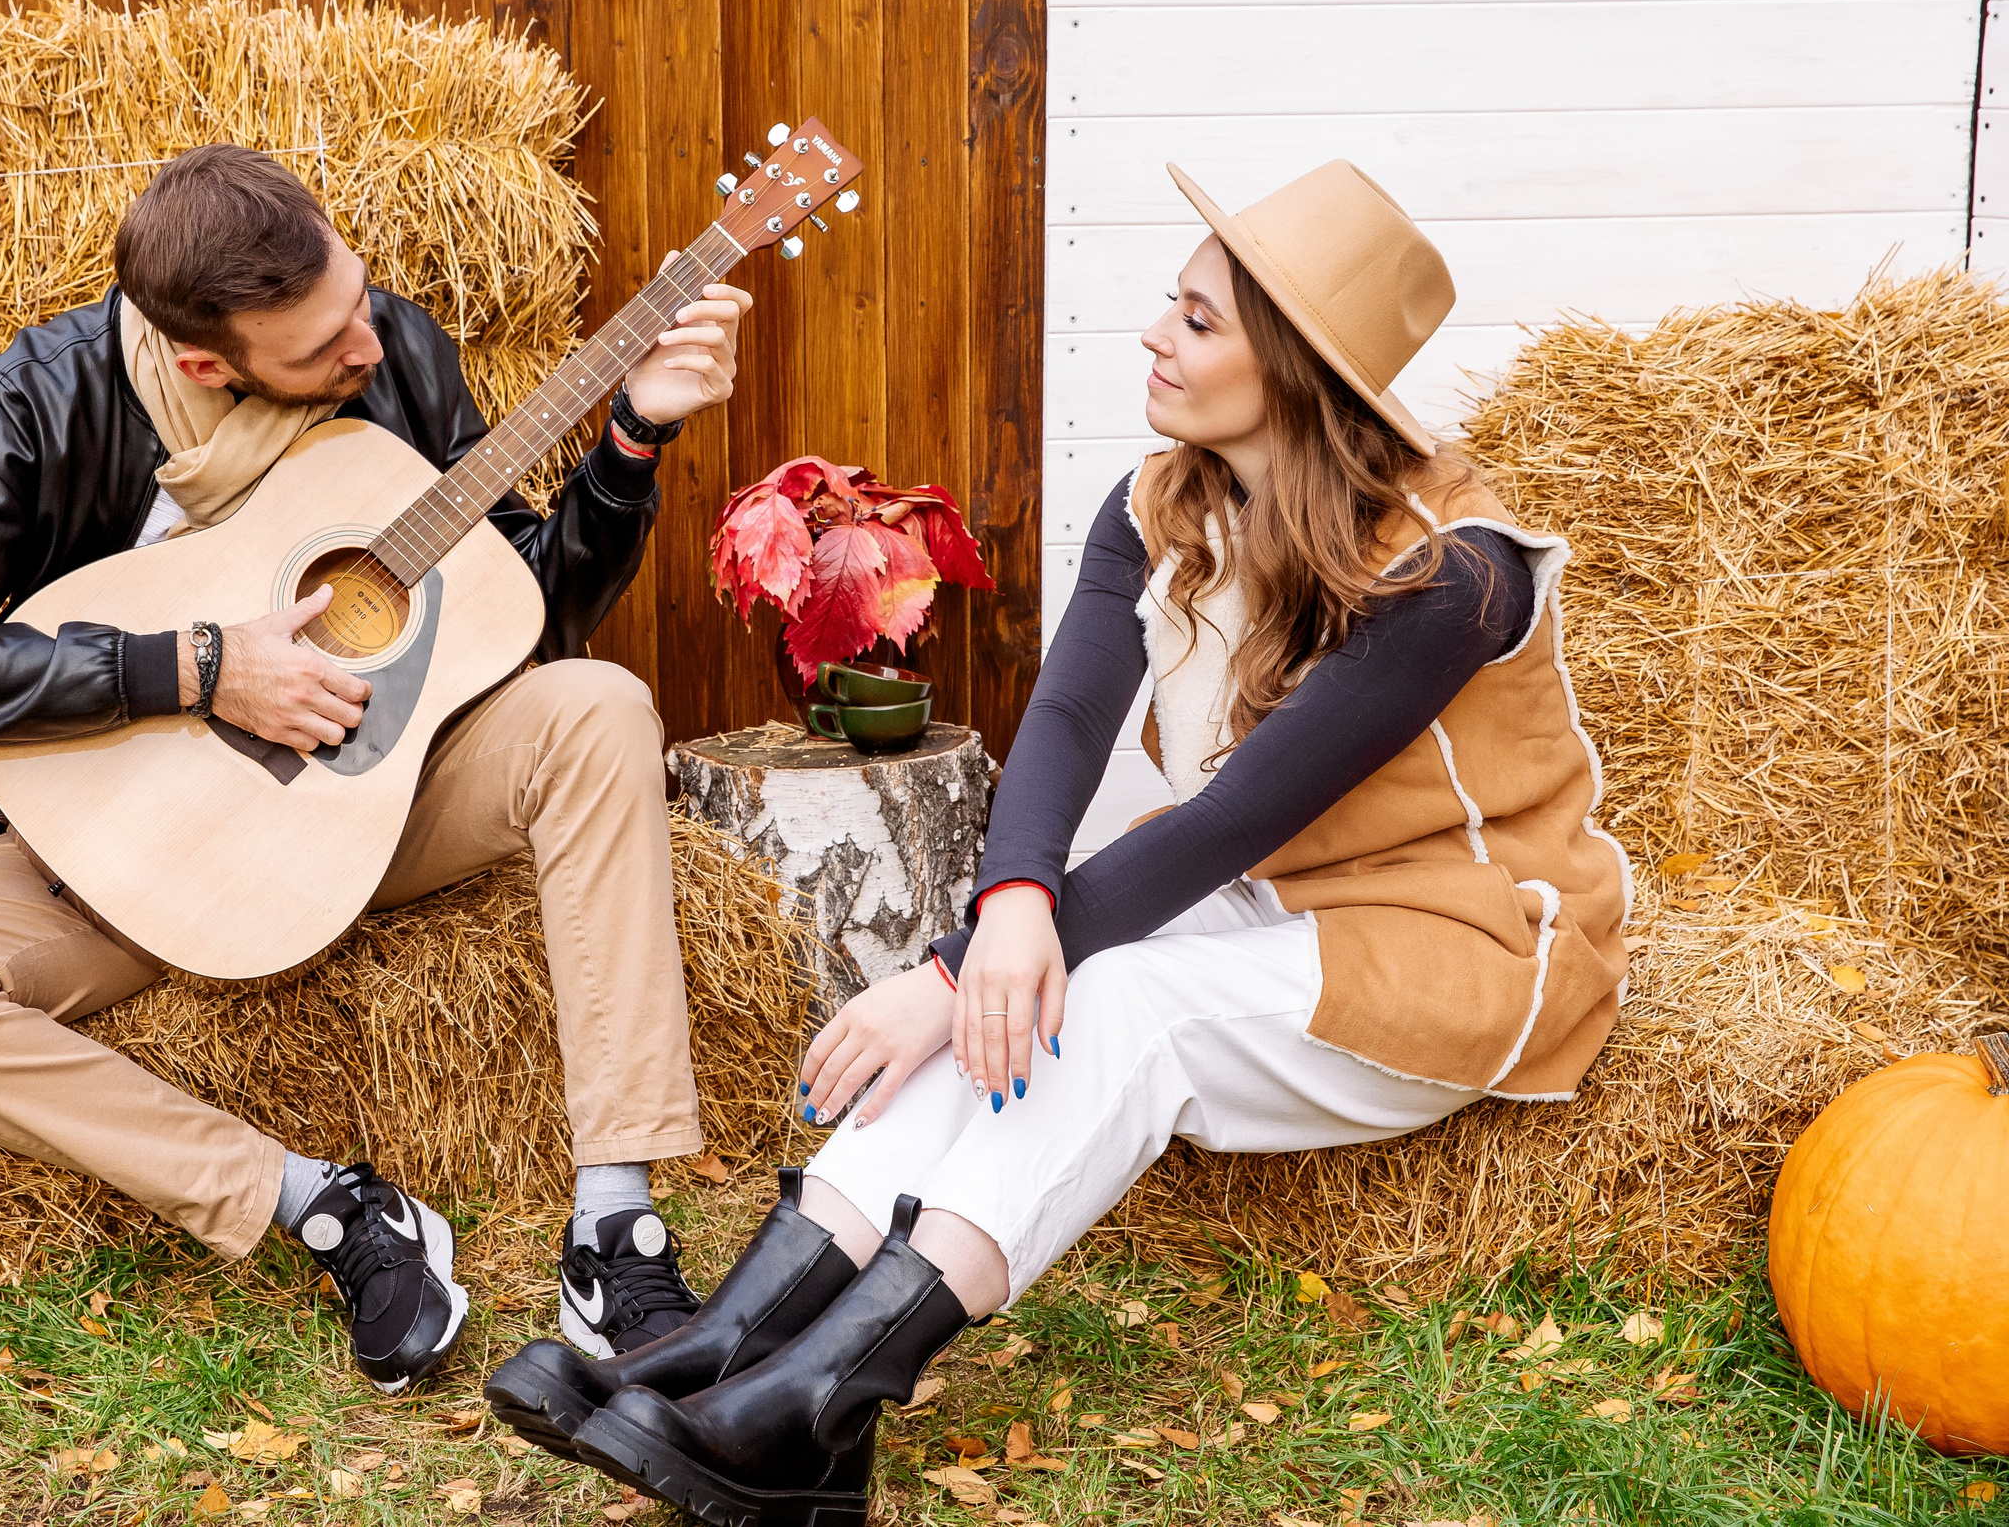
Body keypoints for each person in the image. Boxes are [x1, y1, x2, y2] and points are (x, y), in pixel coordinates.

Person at [489, 160, 1632, 1521]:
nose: (1154, 333)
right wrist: (1004, 914)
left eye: (1198, 320)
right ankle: (724, 1348)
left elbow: (1238, 813)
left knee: (1110, 995)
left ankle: (819, 1403)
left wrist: (956, 963)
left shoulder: (1454, 571)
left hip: (1467, 935)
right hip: (1276, 903)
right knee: (1018, 969)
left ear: (1298, 370)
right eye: (1172, 303)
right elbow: (1072, 715)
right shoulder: (1167, 502)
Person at [0, 145, 754, 1391]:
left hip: (372, 806)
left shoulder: (391, 348)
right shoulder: (42, 404)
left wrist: (633, 436)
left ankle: (614, 1227)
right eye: (320, 349)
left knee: (598, 706)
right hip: (125, 842)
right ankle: (321, 1206)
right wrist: (196, 668)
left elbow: (524, 604)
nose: (365, 345)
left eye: (357, 301)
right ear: (204, 363)